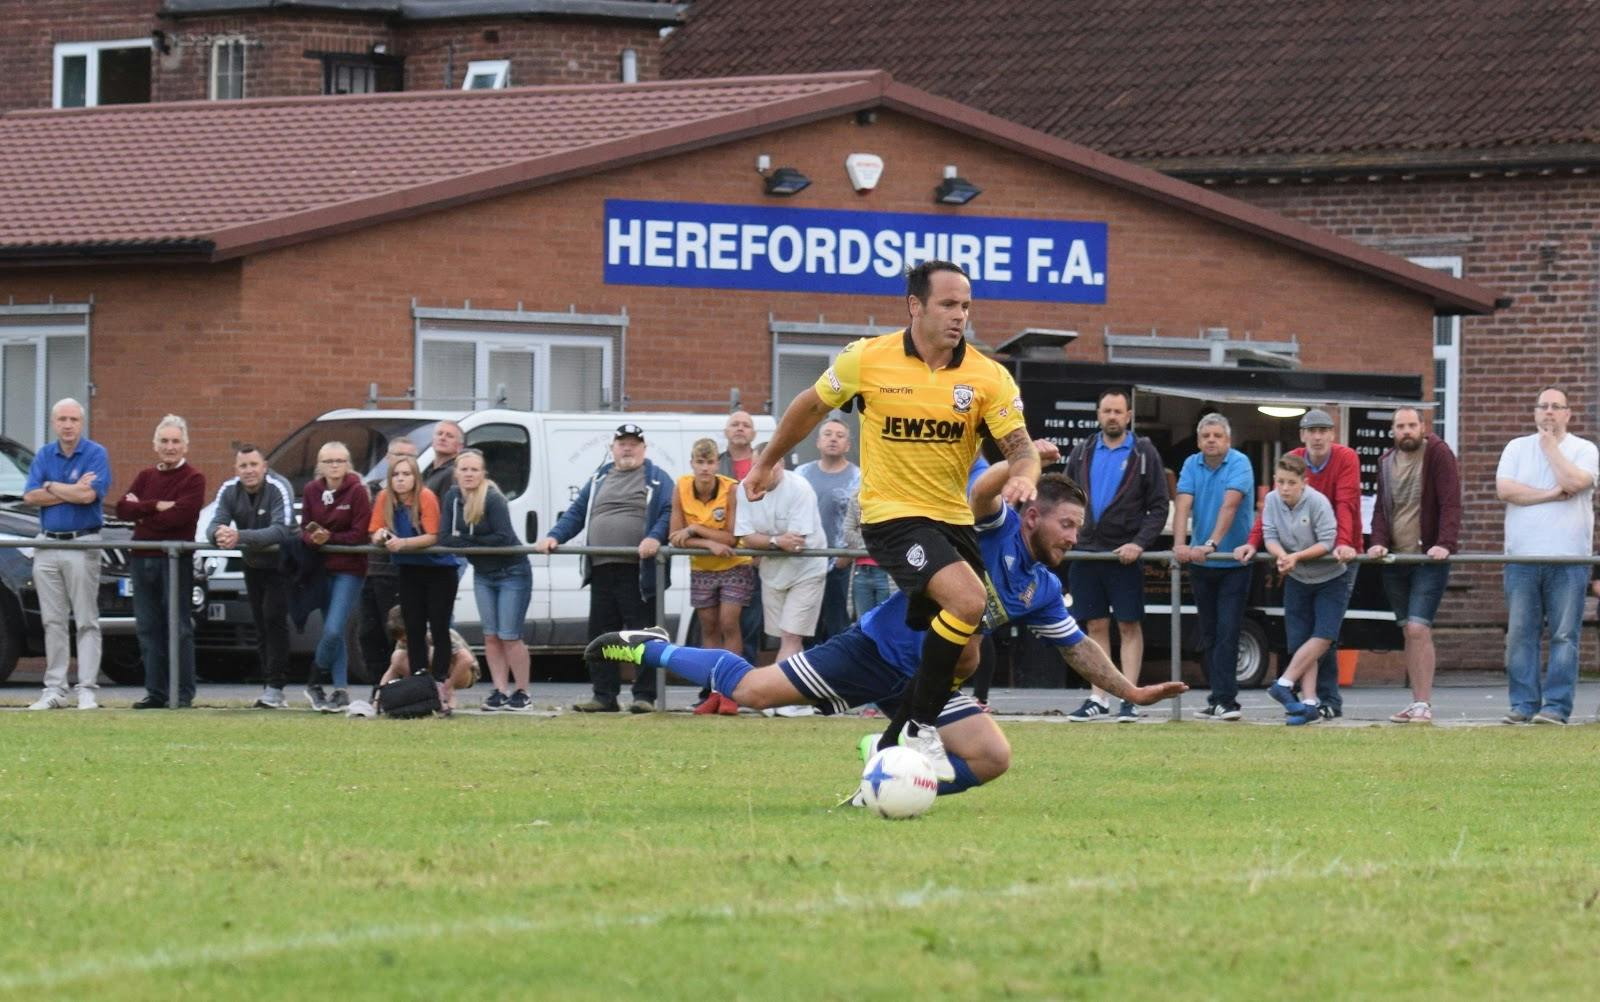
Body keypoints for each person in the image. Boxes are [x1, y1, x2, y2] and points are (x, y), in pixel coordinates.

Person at [585, 466, 1185, 802]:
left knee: (992, 755)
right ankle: (650, 645)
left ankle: (883, 786)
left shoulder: (1044, 588)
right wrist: (1019, 463)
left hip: (927, 679)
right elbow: (979, 495)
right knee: (749, 694)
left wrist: (1129, 694)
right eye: (1068, 524)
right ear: (1032, 514)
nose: (1074, 537)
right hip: (876, 650)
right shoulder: (996, 526)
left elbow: (1077, 646)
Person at [746, 260, 1040, 780]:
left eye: (967, 306)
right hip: (891, 517)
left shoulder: (987, 376)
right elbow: (811, 408)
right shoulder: (867, 358)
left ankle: (884, 752)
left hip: (953, 522)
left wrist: (1025, 473)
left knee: (967, 657)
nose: (960, 316)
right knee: (968, 601)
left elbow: (1020, 447)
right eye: (949, 304)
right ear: (915, 306)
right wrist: (767, 462)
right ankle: (917, 729)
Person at [537, 423, 671, 713]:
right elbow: (577, 512)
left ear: (643, 448)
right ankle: (604, 695)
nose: (627, 448)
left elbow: (669, 512)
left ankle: (644, 696)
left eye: (634, 443)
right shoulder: (599, 477)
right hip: (601, 568)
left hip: (638, 572)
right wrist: (554, 536)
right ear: (612, 447)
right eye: (622, 442)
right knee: (601, 634)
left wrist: (654, 536)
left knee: (642, 634)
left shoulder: (657, 479)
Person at [1242, 408, 1362, 718]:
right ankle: (1311, 703)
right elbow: (1268, 517)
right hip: (1300, 568)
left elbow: (1346, 503)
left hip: (1336, 557)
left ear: (1332, 435)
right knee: (1306, 636)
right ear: (1302, 435)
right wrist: (1255, 544)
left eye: (1324, 430)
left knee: (1325, 633)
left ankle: (1322, 698)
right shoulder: (1291, 464)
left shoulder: (1345, 458)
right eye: (1312, 430)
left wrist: (1345, 544)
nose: (1318, 436)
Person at [1061, 388, 1169, 722]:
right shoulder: (1082, 452)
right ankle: (1099, 698)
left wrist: (1139, 543)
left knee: (1129, 625)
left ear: (1128, 416)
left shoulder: (1144, 453)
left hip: (1124, 556)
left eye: (1117, 411)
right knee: (1094, 626)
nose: (1111, 417)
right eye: (1106, 410)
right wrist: (1068, 538)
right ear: (1098, 414)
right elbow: (1065, 498)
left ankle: (1130, 697)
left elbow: (1159, 506)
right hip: (1087, 555)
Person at [1495, 386, 1597, 725]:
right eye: (1543, 406)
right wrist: (1553, 493)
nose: (1549, 412)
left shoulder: (1584, 449)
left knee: (1564, 635)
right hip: (1522, 559)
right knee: (1521, 634)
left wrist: (1551, 447)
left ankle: (1555, 707)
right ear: (1535, 412)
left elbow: (1578, 481)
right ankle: (1523, 705)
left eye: (1556, 407)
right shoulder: (1516, 448)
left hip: (1569, 560)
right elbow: (1506, 490)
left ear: (1568, 414)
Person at [1367, 406, 1462, 724]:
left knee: (1419, 627)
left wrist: (1445, 543)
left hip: (1428, 559)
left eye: (1411, 425)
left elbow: (1451, 501)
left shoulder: (1437, 453)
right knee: (1408, 630)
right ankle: (1416, 702)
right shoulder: (1385, 462)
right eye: (1400, 426)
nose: (1406, 431)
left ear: (1423, 427)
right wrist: (1377, 541)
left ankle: (1423, 703)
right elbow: (1381, 508)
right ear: (1392, 431)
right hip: (1396, 558)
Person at [22, 398, 110, 711]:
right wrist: (66, 489)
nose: (68, 425)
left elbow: (89, 496)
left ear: (81, 422)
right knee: (53, 621)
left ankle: (87, 689)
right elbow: (31, 495)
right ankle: (54, 689)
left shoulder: (96, 454)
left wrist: (51, 486)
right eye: (62, 419)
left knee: (86, 620)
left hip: (82, 542)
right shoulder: (45, 454)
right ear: (54, 422)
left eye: (73, 419)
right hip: (47, 543)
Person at [116, 415, 206, 710]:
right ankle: (155, 692)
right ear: (155, 445)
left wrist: (143, 516)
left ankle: (182, 692)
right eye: (165, 441)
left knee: (177, 626)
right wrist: (153, 506)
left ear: (185, 445)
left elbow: (180, 518)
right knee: (147, 627)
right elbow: (121, 510)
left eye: (175, 441)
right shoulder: (145, 477)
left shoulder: (194, 479)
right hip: (142, 561)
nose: (170, 447)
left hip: (174, 561)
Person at [1244, 456, 1340, 725]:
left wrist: (1296, 557)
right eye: (1280, 481)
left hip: (1331, 577)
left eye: (1291, 483)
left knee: (1324, 636)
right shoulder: (1273, 500)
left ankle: (1284, 683)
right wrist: (1282, 556)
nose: (1284, 488)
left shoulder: (1318, 502)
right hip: (1298, 577)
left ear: (1304, 483)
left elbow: (1327, 542)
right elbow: (1270, 534)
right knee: (1300, 641)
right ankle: (1309, 704)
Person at [1172, 413, 1255, 720]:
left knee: (1228, 631)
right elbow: (1182, 503)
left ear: (1228, 440)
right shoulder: (1192, 464)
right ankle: (1216, 699)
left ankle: (1227, 701)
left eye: (1217, 435)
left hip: (1232, 561)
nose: (1211, 440)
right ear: (1198, 440)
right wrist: (1180, 545)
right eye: (1206, 436)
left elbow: (1230, 505)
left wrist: (1211, 544)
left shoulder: (1240, 463)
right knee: (1208, 633)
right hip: (1202, 564)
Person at [205, 444, 297, 709]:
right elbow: (213, 523)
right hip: (253, 563)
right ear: (236, 469)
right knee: (259, 622)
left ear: (264, 467)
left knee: (273, 618)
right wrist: (219, 534)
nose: (249, 471)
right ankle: (269, 685)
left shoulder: (279, 488)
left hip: (283, 563)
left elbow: (281, 530)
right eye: (243, 466)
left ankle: (277, 686)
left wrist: (240, 536)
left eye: (254, 465)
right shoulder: (229, 490)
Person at [442, 449, 534, 711]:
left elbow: (503, 537)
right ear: (456, 473)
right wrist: (473, 545)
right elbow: (445, 538)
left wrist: (467, 543)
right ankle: (499, 690)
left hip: (511, 572)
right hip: (483, 573)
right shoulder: (452, 497)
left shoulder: (493, 498)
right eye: (464, 469)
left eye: (474, 470)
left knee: (509, 635)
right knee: (490, 635)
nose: (469, 474)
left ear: (483, 473)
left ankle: (522, 691)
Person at [668, 437, 752, 715]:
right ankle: (713, 691)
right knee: (709, 628)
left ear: (718, 463)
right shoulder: (681, 486)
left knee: (729, 623)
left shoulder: (730, 488)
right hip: (702, 567)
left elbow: (730, 536)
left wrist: (695, 530)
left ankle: (732, 692)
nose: (705, 468)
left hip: (734, 565)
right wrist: (708, 542)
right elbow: (674, 537)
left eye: (710, 462)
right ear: (692, 463)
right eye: (700, 462)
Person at [369, 454, 457, 703]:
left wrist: (404, 543)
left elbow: (433, 535)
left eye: (406, 474)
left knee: (439, 628)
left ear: (416, 477)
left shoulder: (426, 497)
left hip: (439, 570)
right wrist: (379, 537)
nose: (400, 479)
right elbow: (374, 530)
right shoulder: (385, 498)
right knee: (414, 627)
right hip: (409, 568)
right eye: (396, 475)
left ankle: (439, 680)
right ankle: (419, 678)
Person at [737, 444, 829, 667]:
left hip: (807, 570)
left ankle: (782, 699)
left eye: (772, 464)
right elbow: (747, 537)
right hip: (772, 572)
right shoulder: (744, 488)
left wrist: (766, 542)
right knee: (782, 638)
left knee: (791, 636)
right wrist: (776, 541)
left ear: (782, 464)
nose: (767, 470)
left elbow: (795, 543)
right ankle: (790, 696)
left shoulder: (800, 488)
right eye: (761, 464)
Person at [300, 441, 371, 713]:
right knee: (335, 631)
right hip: (320, 568)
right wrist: (312, 538)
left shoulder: (356, 491)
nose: (334, 466)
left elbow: (359, 533)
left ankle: (313, 680)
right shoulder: (311, 490)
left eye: (339, 461)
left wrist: (330, 538)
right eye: (329, 461)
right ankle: (340, 690)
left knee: (331, 629)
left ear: (348, 463)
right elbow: (304, 526)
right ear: (320, 465)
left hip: (349, 570)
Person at [358, 437, 420, 688]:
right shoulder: (372, 490)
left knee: (396, 634)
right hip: (372, 570)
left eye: (411, 457)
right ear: (387, 458)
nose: (404, 462)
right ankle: (379, 690)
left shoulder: (419, 494)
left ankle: (405, 689)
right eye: (399, 455)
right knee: (367, 634)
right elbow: (368, 528)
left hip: (402, 572)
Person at [796, 418, 861, 642]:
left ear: (848, 445)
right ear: (818, 441)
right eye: (828, 434)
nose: (833, 438)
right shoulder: (801, 473)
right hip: (805, 563)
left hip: (841, 566)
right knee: (806, 628)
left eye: (840, 435)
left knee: (837, 628)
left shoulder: (859, 478)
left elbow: (864, 520)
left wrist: (847, 555)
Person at [365, 607, 479, 717]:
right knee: (397, 657)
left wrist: (448, 686)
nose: (403, 642)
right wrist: (377, 700)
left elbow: (466, 659)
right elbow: (392, 670)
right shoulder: (403, 640)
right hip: (429, 673)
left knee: (433, 653)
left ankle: (444, 693)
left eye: (405, 639)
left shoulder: (433, 633)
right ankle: (426, 692)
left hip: (462, 673)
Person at [719, 409, 764, 664]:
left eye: (746, 425)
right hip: (726, 556)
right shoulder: (715, 463)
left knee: (751, 624)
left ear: (754, 434)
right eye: (735, 424)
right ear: (726, 432)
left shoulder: (764, 463)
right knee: (724, 625)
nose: (740, 428)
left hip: (756, 556)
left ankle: (748, 677)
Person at [840, 491, 895, 620]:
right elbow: (847, 533)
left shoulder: (895, 495)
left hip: (889, 572)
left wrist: (863, 537)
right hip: (861, 571)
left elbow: (896, 535)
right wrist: (876, 543)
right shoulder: (855, 496)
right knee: (863, 624)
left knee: (886, 621)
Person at [423, 419, 464, 500]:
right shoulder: (428, 470)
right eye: (439, 434)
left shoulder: (452, 473)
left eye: (449, 436)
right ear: (432, 441)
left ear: (460, 447)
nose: (442, 438)